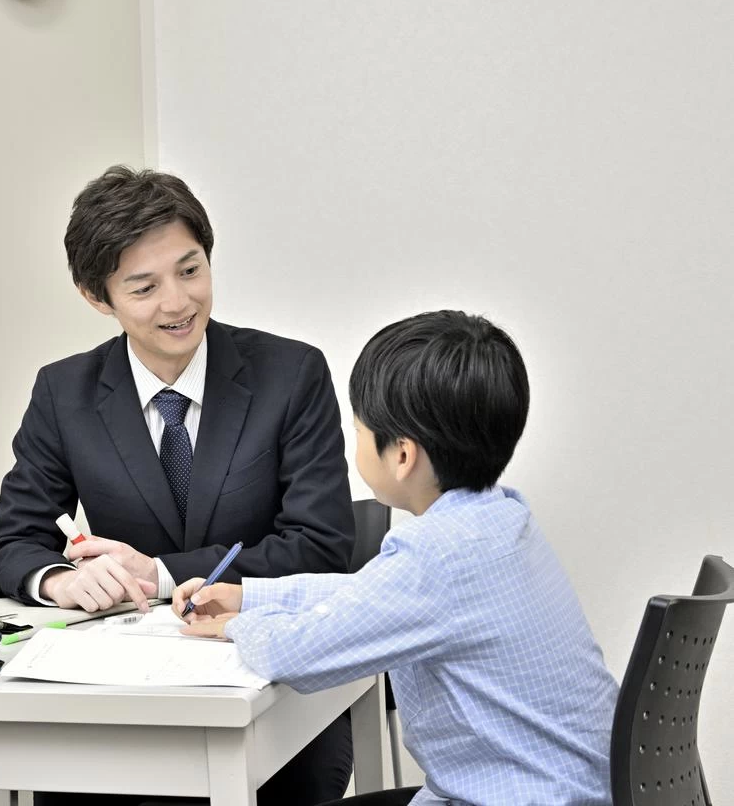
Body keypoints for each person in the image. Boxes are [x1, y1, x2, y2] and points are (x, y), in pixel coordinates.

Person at [0, 166, 355, 806]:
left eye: (190, 271)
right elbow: (10, 543)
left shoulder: (291, 374)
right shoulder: (63, 392)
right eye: (144, 286)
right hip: (120, 717)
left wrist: (156, 575)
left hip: (272, 710)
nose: (178, 303)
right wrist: (62, 581)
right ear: (98, 297)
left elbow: (320, 547)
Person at [177, 310, 619, 806]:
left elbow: (293, 655)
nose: (355, 443)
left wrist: (238, 627)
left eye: (360, 431)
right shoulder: (500, 518)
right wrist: (251, 596)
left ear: (402, 456)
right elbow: (372, 594)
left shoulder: (436, 554)